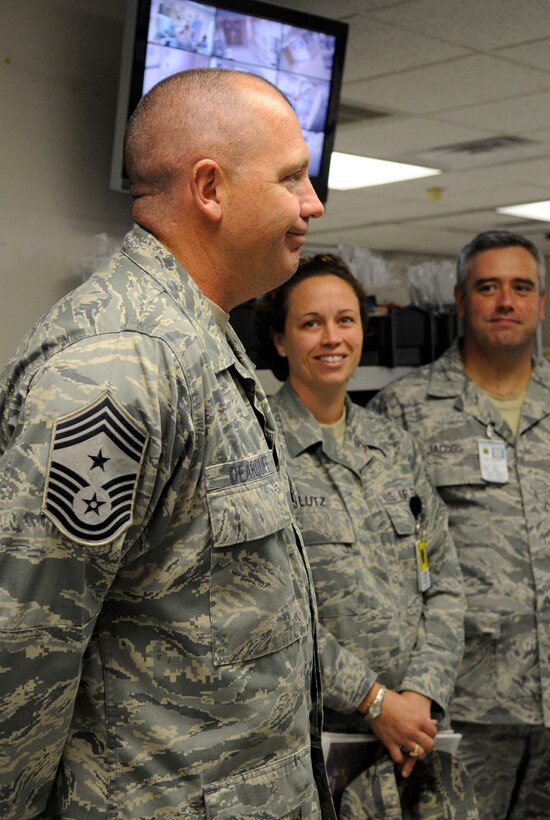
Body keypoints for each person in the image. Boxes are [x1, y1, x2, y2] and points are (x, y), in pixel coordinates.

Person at [0, 68, 334, 819]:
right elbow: (24, 650)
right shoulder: (121, 364)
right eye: (291, 178)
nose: (313, 203)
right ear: (209, 189)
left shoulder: (199, 338)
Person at [254, 254, 477, 818]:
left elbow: (445, 580)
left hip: (415, 740)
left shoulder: (393, 444)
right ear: (280, 340)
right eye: (311, 323)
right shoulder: (259, 450)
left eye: (345, 320)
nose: (332, 338)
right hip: (312, 751)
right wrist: (374, 700)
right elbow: (268, 608)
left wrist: (419, 695)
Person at [369, 230, 550, 819]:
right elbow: (378, 568)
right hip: (461, 703)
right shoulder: (404, 411)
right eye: (488, 287)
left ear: (541, 302)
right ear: (460, 300)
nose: (506, 301)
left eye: (521, 287)